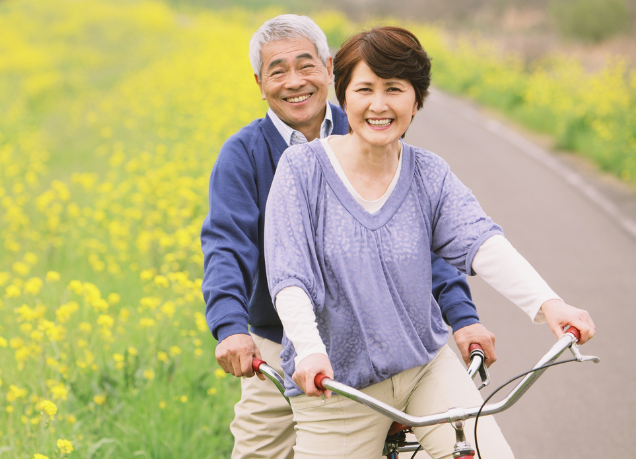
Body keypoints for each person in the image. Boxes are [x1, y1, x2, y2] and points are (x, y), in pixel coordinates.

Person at [263, 26, 596, 458]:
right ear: (342, 95)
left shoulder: (429, 173)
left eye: (395, 89)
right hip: (337, 385)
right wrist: (308, 350)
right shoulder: (301, 169)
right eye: (364, 89)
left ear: (416, 101)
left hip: (424, 367)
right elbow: (289, 276)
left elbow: (481, 241)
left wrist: (549, 304)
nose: (378, 105)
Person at [201, 15, 500, 459]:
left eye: (306, 66)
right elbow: (227, 245)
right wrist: (229, 328)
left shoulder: (367, 123)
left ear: (328, 68)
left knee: (461, 441)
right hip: (282, 346)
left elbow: (422, 233)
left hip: (385, 342)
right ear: (260, 84)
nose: (294, 81)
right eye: (277, 71)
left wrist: (462, 314)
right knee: (258, 452)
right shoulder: (244, 154)